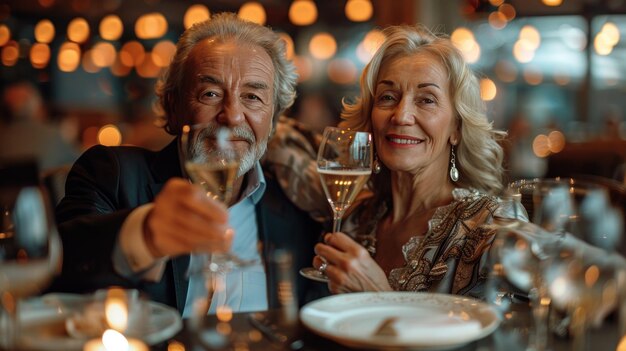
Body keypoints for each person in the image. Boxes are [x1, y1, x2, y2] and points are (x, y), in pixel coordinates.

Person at [51, 13, 325, 316]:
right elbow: (57, 266)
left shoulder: (297, 208)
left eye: (252, 97)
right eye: (210, 94)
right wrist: (144, 236)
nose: (232, 116)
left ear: (272, 121)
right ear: (173, 107)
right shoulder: (112, 174)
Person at [311, 24, 527, 298]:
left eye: (426, 100)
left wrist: (378, 296)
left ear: (456, 129)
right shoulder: (357, 218)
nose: (401, 116)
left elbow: (506, 338)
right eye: (388, 97)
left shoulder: (491, 226)